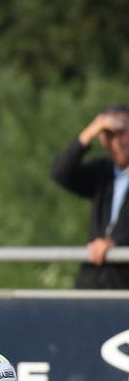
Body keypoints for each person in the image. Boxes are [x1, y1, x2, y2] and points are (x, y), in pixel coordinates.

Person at [52, 104, 129, 288]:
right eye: (109, 135)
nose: (116, 142)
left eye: (122, 133)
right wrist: (90, 132)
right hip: (93, 281)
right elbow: (61, 173)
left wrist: (116, 244)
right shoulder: (102, 173)